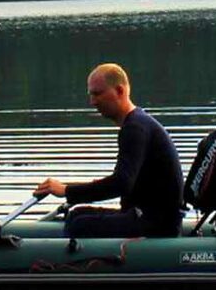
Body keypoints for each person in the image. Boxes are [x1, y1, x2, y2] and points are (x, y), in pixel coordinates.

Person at [37, 63, 185, 238]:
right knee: (76, 214)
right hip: (144, 214)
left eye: (98, 94)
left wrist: (66, 191)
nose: (92, 102)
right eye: (91, 94)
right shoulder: (136, 123)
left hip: (157, 223)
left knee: (79, 226)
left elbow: (121, 184)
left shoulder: (135, 128)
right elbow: (124, 181)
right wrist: (73, 193)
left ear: (120, 91)